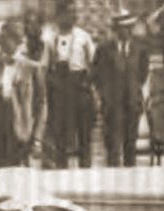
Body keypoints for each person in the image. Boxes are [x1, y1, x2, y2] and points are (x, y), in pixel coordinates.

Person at [0, 20, 48, 169]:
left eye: (4, 37)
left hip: (22, 133)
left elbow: (41, 105)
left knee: (21, 177)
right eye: (0, 37)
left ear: (17, 40)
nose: (0, 41)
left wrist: (37, 138)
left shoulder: (32, 68)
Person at [93, 10, 150, 167]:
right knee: (112, 146)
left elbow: (143, 73)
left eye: (129, 28)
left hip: (132, 102)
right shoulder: (104, 49)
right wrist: (105, 94)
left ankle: (130, 175)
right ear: (116, 29)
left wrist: (134, 89)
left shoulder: (140, 48)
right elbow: (97, 74)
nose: (126, 31)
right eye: (122, 28)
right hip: (112, 104)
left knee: (130, 144)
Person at [48, 2, 96, 168]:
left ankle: (85, 169)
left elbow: (93, 63)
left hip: (79, 85)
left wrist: (87, 83)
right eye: (69, 13)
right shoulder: (51, 38)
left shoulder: (83, 36)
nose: (73, 16)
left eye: (74, 12)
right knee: (60, 132)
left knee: (83, 131)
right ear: (60, 15)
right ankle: (61, 169)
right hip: (60, 87)